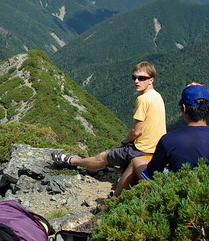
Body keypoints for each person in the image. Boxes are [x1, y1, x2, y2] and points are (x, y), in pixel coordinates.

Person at [51, 61, 166, 195]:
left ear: (151, 80)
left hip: (141, 149)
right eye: (134, 77)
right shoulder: (157, 96)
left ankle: (71, 161)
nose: (136, 81)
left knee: (103, 156)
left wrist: (122, 143)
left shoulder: (143, 99)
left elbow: (136, 131)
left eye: (141, 78)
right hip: (156, 148)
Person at [140, 82, 209, 181]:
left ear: (184, 108)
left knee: (137, 162)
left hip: (178, 193)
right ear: (208, 109)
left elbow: (152, 172)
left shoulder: (168, 140)